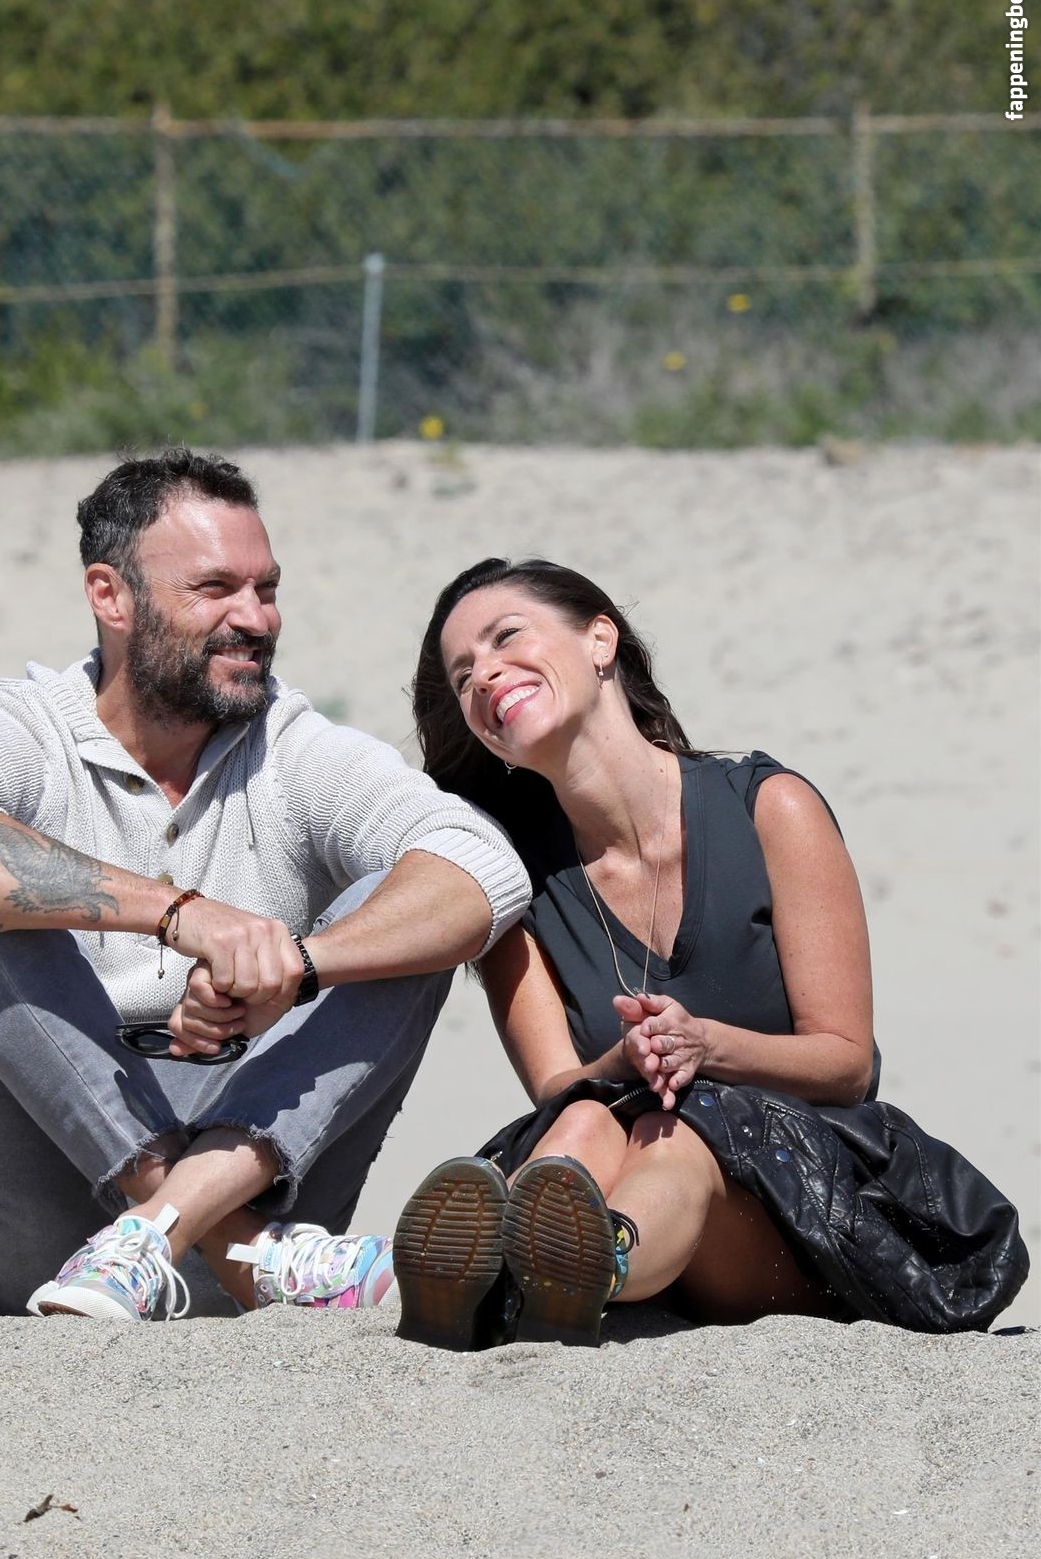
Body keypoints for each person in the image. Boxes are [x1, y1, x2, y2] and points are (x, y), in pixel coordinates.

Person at [0, 451, 531, 1322]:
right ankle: (210, 1236)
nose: (254, 618)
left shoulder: (293, 749)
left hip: (254, 1170)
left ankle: (162, 1230)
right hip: (20, 1235)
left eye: (267, 589)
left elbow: (482, 864)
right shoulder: (19, 729)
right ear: (111, 596)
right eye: (215, 589)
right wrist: (180, 915)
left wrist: (300, 965)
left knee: (409, 906)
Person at [391, 558, 1029, 1349]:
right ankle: (504, 1272)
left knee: (685, 1133)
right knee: (584, 1116)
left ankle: (582, 1263)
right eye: (463, 677)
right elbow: (556, 1085)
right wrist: (627, 1059)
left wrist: (707, 1046)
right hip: (621, 1176)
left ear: (599, 640)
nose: (485, 675)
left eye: (506, 637)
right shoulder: (508, 882)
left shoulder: (769, 809)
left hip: (792, 1209)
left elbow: (846, 1062)